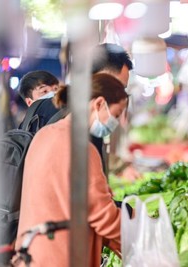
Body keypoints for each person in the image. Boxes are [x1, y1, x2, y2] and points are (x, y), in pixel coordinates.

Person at [15, 73, 129, 266]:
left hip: (33, 251)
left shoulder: (45, 134)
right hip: (60, 255)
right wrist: (136, 238)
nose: (115, 123)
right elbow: (101, 215)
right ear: (99, 103)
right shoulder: (79, 147)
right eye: (116, 115)